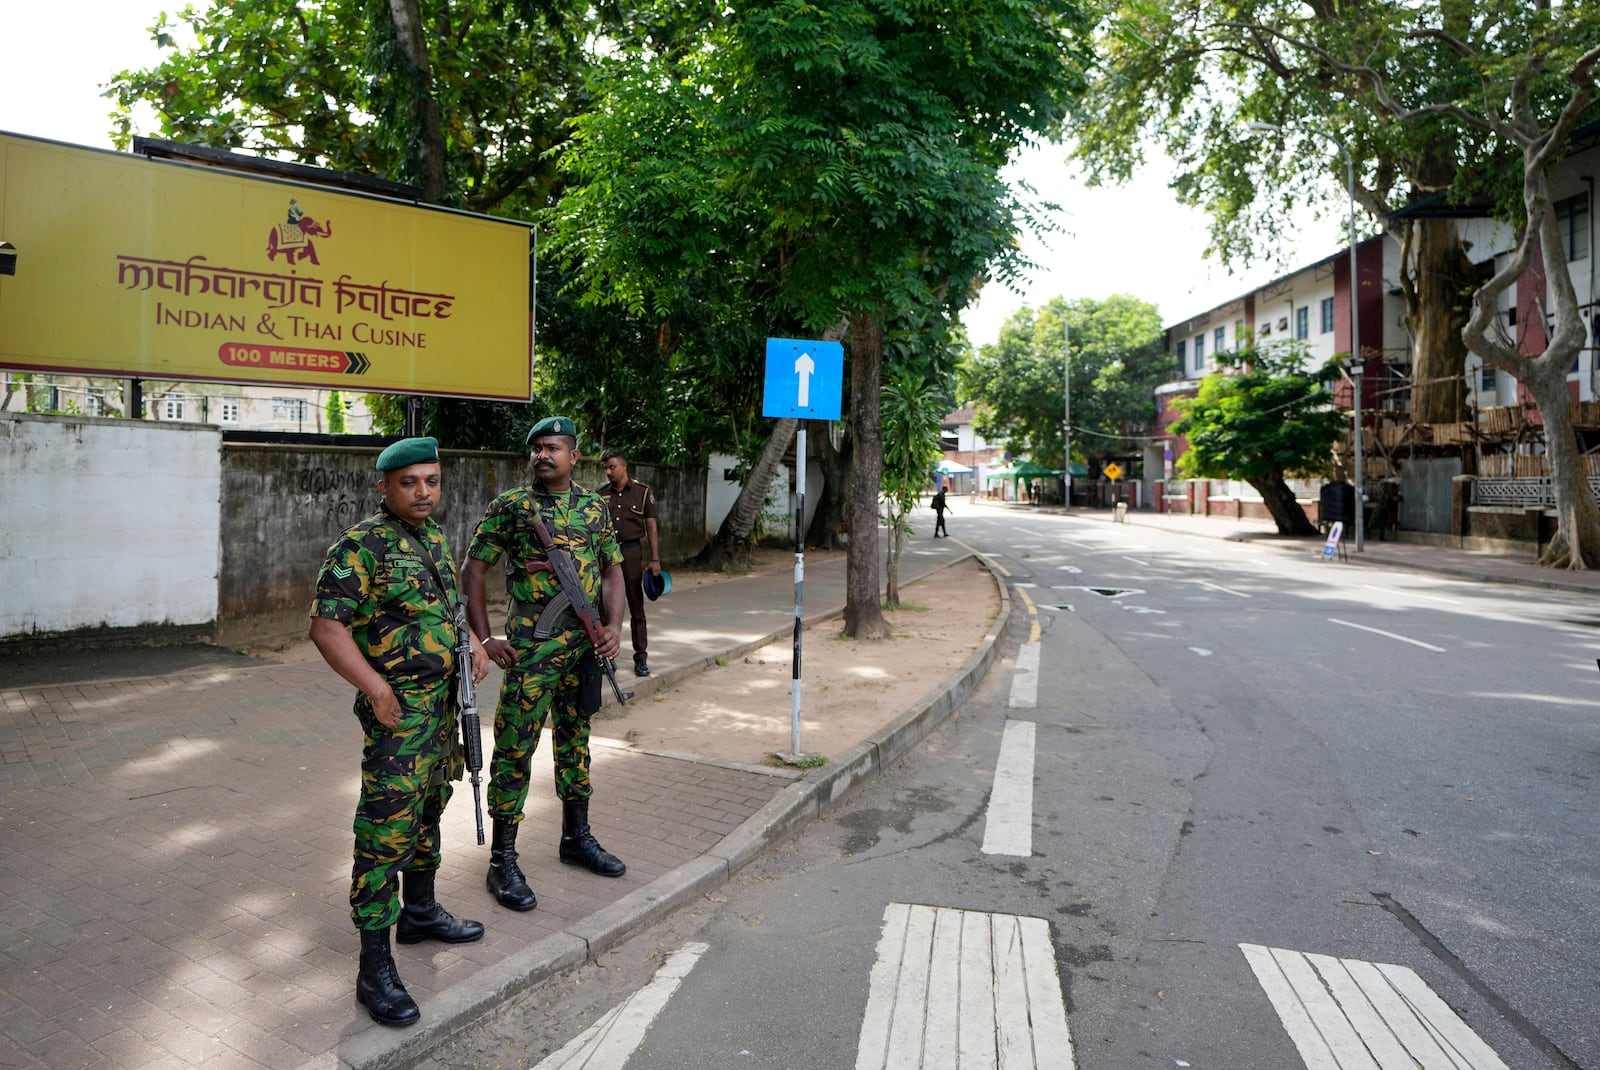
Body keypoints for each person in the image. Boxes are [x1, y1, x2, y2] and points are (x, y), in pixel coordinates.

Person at [308, 436, 491, 1029]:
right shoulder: (361, 546)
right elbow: (326, 628)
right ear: (384, 486)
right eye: (410, 482)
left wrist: (469, 646)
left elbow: (441, 611)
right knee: (386, 829)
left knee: (430, 809)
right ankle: (373, 966)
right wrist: (375, 688)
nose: (423, 492)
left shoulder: (435, 538)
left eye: (432, 481)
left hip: (441, 710)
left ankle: (420, 912)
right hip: (399, 715)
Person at [463, 416, 628, 914]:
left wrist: (613, 628)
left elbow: (613, 569)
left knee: (576, 743)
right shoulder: (512, 507)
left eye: (553, 447)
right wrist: (485, 636)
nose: (543, 455)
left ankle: (576, 838)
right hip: (531, 654)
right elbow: (473, 570)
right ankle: (502, 861)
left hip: (585, 651)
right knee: (515, 750)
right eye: (536, 448)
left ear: (574, 456)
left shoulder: (595, 507)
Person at [598, 449, 662, 677]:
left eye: (612, 467)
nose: (609, 472)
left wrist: (655, 559)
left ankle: (641, 657)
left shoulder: (642, 492)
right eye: (606, 468)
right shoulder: (601, 494)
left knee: (636, 607)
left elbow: (651, 526)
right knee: (604, 608)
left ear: (624, 466)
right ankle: (605, 658)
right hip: (606, 556)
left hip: (632, 553)